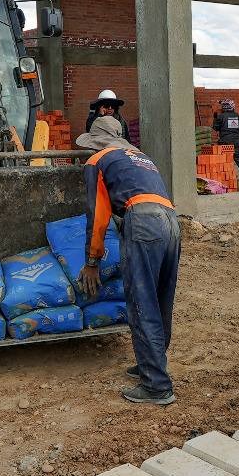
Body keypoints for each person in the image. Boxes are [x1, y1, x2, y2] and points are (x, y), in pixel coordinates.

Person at [75, 115, 179, 405]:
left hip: (144, 224)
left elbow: (97, 216)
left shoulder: (98, 161)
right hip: (171, 222)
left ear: (95, 142)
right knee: (160, 299)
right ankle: (153, 362)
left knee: (141, 301)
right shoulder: (141, 157)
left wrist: (92, 261)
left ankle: (157, 386)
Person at [212, 99, 239, 175]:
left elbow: (215, 128)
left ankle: (224, 174)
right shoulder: (237, 116)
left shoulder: (221, 116)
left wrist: (215, 117)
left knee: (223, 158)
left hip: (225, 141)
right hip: (236, 141)